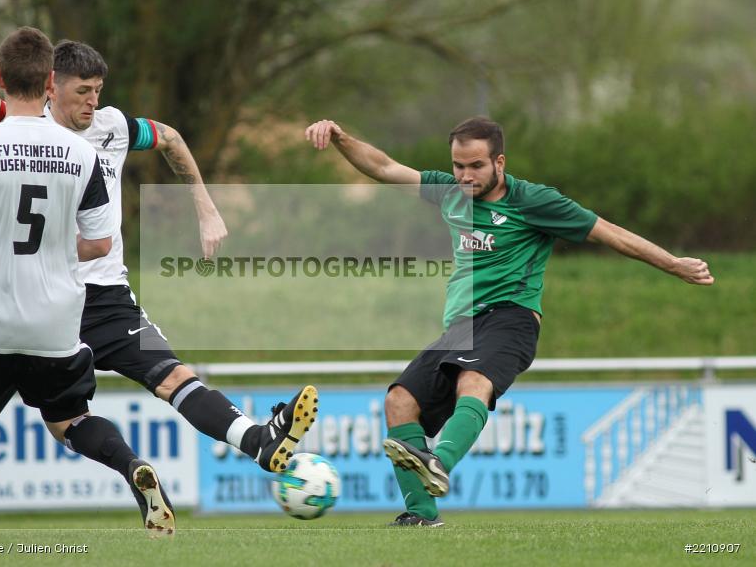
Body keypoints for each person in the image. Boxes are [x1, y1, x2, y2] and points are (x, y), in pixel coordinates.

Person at [0, 41, 317, 537]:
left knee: (171, 378)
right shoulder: (19, 130)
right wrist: (19, 55)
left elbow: (170, 138)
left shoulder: (112, 126)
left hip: (83, 297)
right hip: (50, 297)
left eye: (98, 91)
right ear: (51, 85)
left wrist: (205, 206)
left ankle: (256, 439)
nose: (92, 102)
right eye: (82, 91)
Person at [305, 116, 714, 527]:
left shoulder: (534, 201)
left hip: (512, 318)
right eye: (458, 165)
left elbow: (608, 232)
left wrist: (673, 264)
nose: (465, 175)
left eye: (476, 166)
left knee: (473, 383)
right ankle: (421, 516)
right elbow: (385, 168)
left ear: (499, 162)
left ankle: (438, 461)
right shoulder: (450, 191)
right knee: (398, 402)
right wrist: (341, 138)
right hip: (461, 327)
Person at [0, 26, 181, 537]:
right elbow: (101, 243)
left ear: (4, 79)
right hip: (55, 322)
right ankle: (131, 467)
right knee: (71, 419)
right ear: (50, 81)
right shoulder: (81, 154)